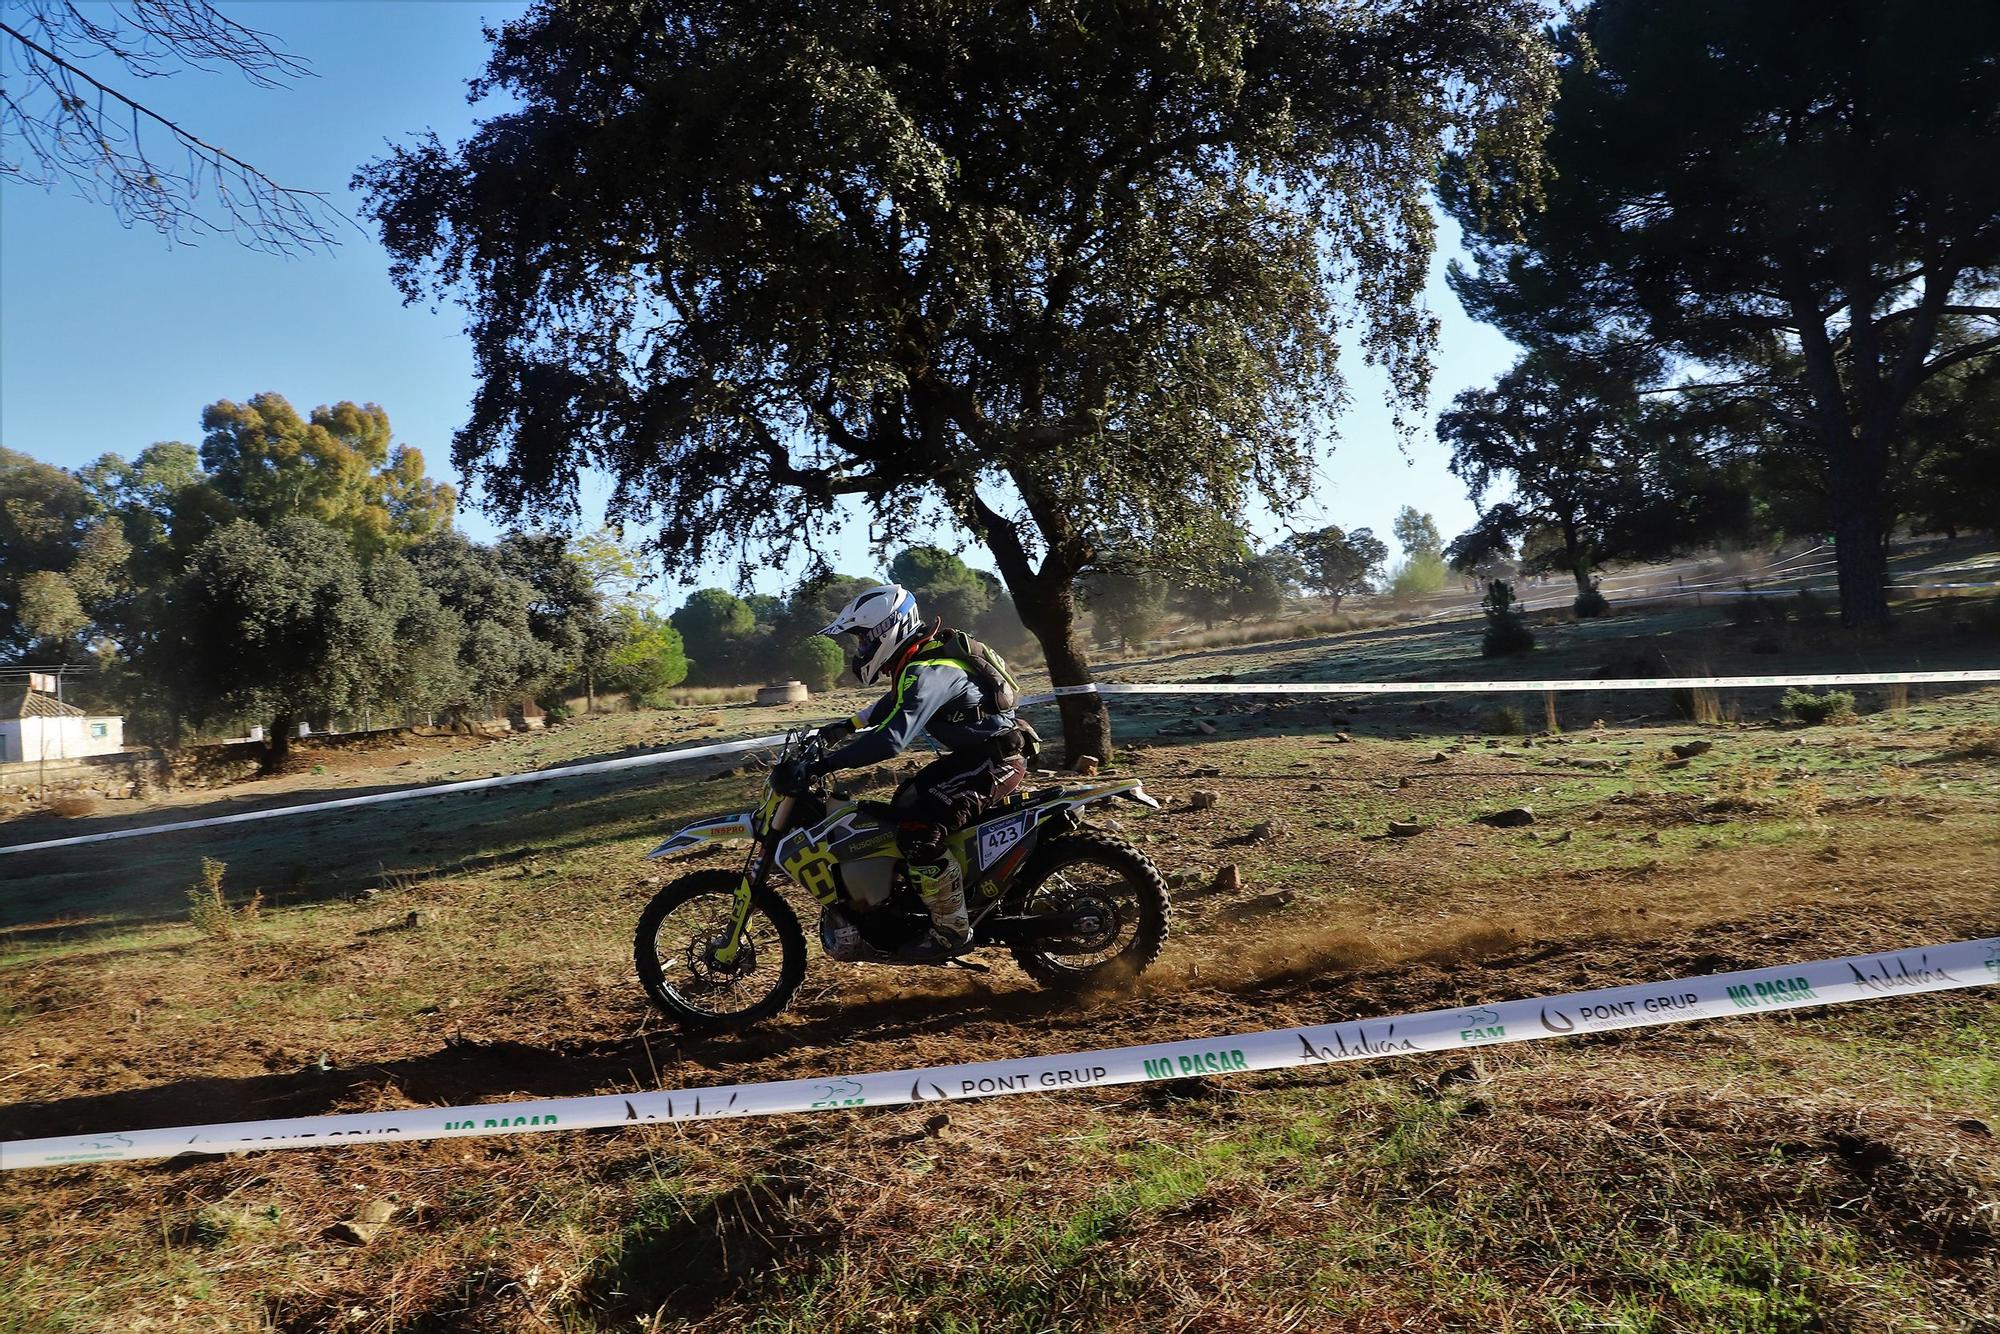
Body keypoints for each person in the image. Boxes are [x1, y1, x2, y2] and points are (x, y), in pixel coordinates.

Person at [774, 583, 1030, 961]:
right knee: (905, 803)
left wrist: (822, 765)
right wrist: (845, 726)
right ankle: (922, 902)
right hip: (977, 757)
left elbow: (891, 740)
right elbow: (893, 703)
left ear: (887, 629)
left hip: (992, 762)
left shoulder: (931, 669)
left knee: (917, 833)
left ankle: (952, 931)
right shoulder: (919, 662)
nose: (860, 650)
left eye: (862, 640)